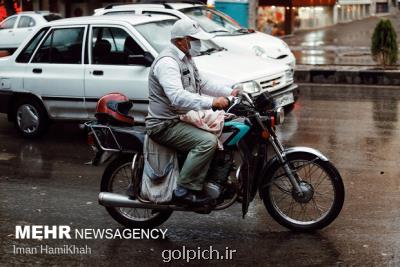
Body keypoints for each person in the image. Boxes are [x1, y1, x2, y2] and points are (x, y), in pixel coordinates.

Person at [146, 19, 239, 206]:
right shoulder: (168, 62)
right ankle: (184, 188)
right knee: (207, 142)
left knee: (224, 127)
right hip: (165, 124)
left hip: (181, 117)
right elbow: (177, 96)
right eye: (193, 39)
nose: (198, 43)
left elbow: (202, 83)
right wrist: (212, 102)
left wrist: (229, 92)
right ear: (180, 41)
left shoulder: (186, 58)